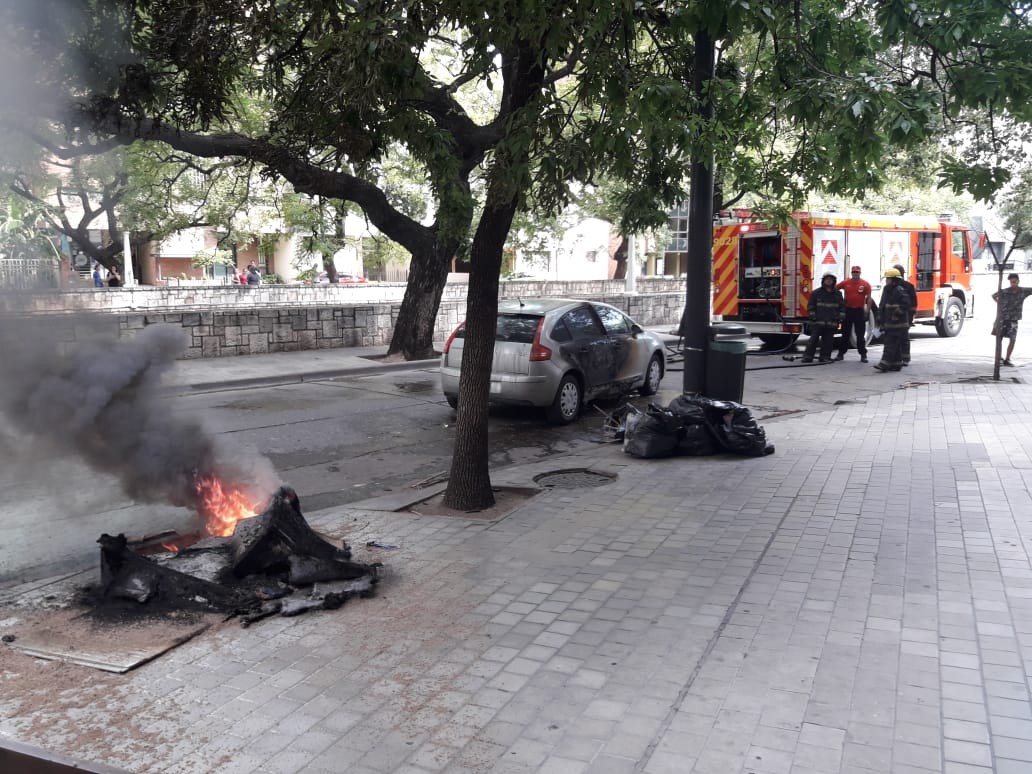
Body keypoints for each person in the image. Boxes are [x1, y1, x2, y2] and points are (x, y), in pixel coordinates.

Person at [801, 273, 845, 363]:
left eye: (831, 280)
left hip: (831, 322)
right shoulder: (816, 293)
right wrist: (812, 315)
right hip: (818, 321)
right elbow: (811, 306)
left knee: (828, 341)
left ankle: (825, 357)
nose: (829, 281)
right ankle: (808, 357)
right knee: (813, 340)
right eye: (827, 279)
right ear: (823, 281)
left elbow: (842, 307)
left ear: (834, 282)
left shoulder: (838, 294)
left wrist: (841, 316)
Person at [873, 268, 910, 372]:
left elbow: (906, 303)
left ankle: (884, 363)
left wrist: (897, 313)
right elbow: (882, 304)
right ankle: (896, 364)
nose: (886, 280)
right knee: (895, 344)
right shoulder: (887, 289)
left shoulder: (899, 290)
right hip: (889, 322)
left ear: (894, 280)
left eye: (888, 279)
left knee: (889, 343)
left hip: (898, 323)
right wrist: (880, 317)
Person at [991, 273, 1032, 365]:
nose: (1013, 284)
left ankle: (1007, 359)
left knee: (1012, 339)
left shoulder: (1023, 291)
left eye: (1015, 282)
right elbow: (993, 296)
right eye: (1011, 282)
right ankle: (998, 358)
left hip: (1014, 319)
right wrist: (1000, 303)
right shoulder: (1005, 291)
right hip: (1002, 318)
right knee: (999, 339)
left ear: (1018, 281)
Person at [835, 262, 872, 362]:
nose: (855, 274)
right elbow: (835, 289)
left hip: (859, 311)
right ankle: (841, 354)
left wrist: (867, 311)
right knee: (845, 334)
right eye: (854, 272)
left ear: (860, 273)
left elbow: (869, 298)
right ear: (852, 273)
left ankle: (863, 355)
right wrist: (839, 302)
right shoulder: (846, 283)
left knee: (860, 335)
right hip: (848, 311)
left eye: (857, 272)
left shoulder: (865, 284)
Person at [893, 263, 917, 366]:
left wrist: (910, 317)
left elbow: (913, 303)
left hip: (905, 316)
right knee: (895, 338)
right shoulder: (891, 287)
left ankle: (905, 358)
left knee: (904, 337)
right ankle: (897, 358)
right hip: (894, 316)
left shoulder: (908, 286)